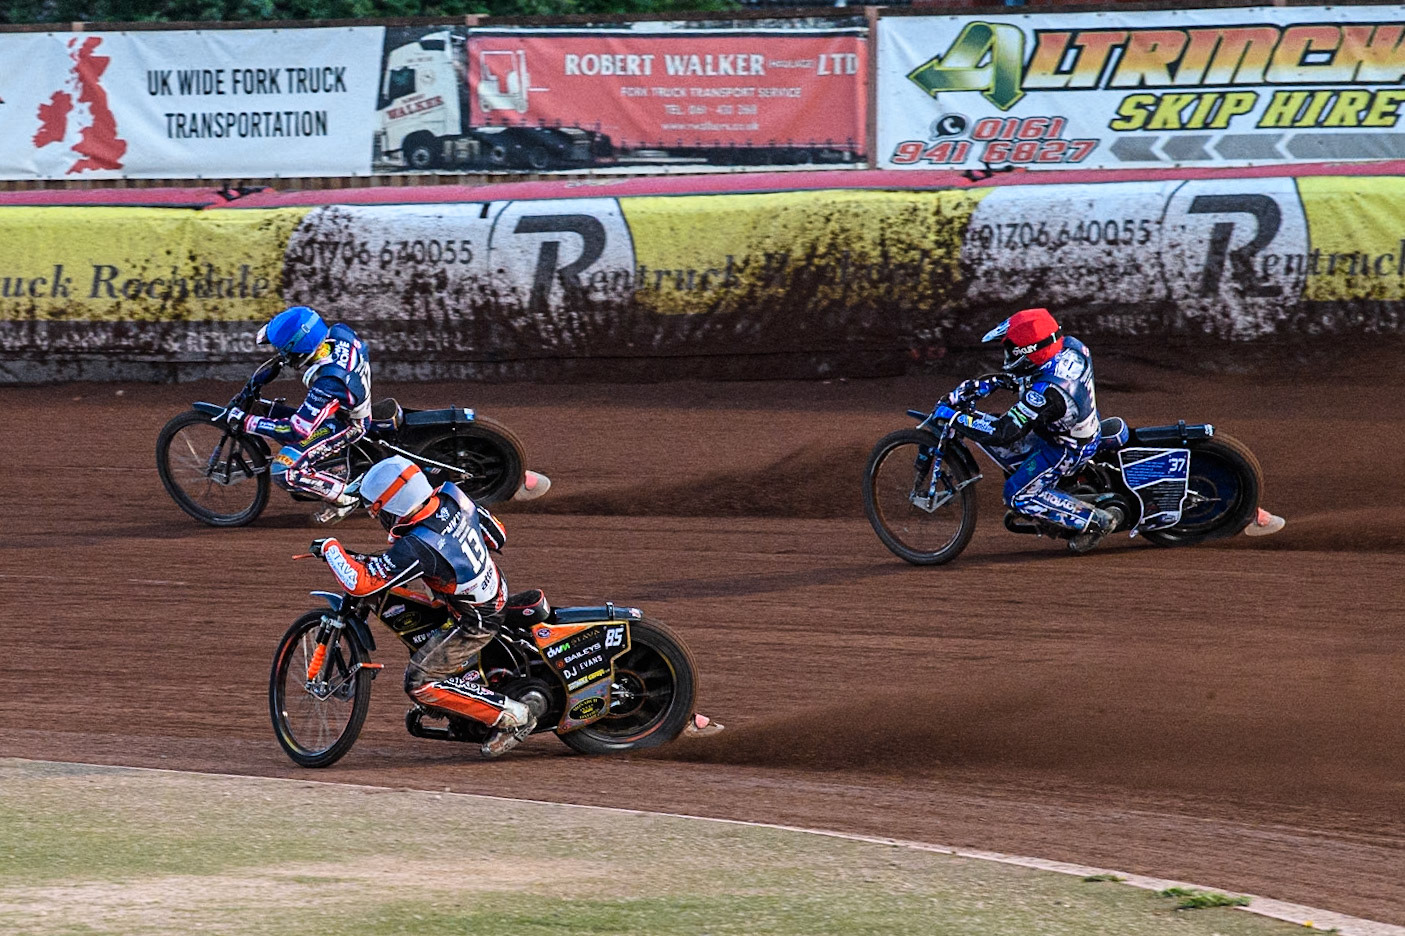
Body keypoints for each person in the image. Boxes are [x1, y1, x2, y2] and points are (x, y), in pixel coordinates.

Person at [308, 455, 546, 759]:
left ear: (393, 507)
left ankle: (514, 717)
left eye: (377, 511)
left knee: (420, 680)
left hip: (476, 620)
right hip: (494, 586)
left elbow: (360, 584)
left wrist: (331, 548)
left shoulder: (417, 546)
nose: (377, 518)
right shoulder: (450, 494)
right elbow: (497, 534)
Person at [945, 307, 1118, 553]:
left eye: (1010, 349)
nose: (1006, 355)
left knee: (1016, 495)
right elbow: (1036, 374)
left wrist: (956, 418)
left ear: (1028, 352)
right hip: (1072, 425)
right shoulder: (1069, 346)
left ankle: (1096, 522)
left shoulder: (1048, 393)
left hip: (1065, 449)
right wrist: (994, 382)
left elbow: (1004, 431)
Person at [227, 305, 371, 525]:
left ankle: (345, 497)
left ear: (300, 352)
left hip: (349, 424)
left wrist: (247, 422)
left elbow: (296, 429)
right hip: (347, 401)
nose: (282, 355)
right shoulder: (340, 333)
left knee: (282, 470)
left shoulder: (327, 382)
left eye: (285, 351)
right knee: (270, 411)